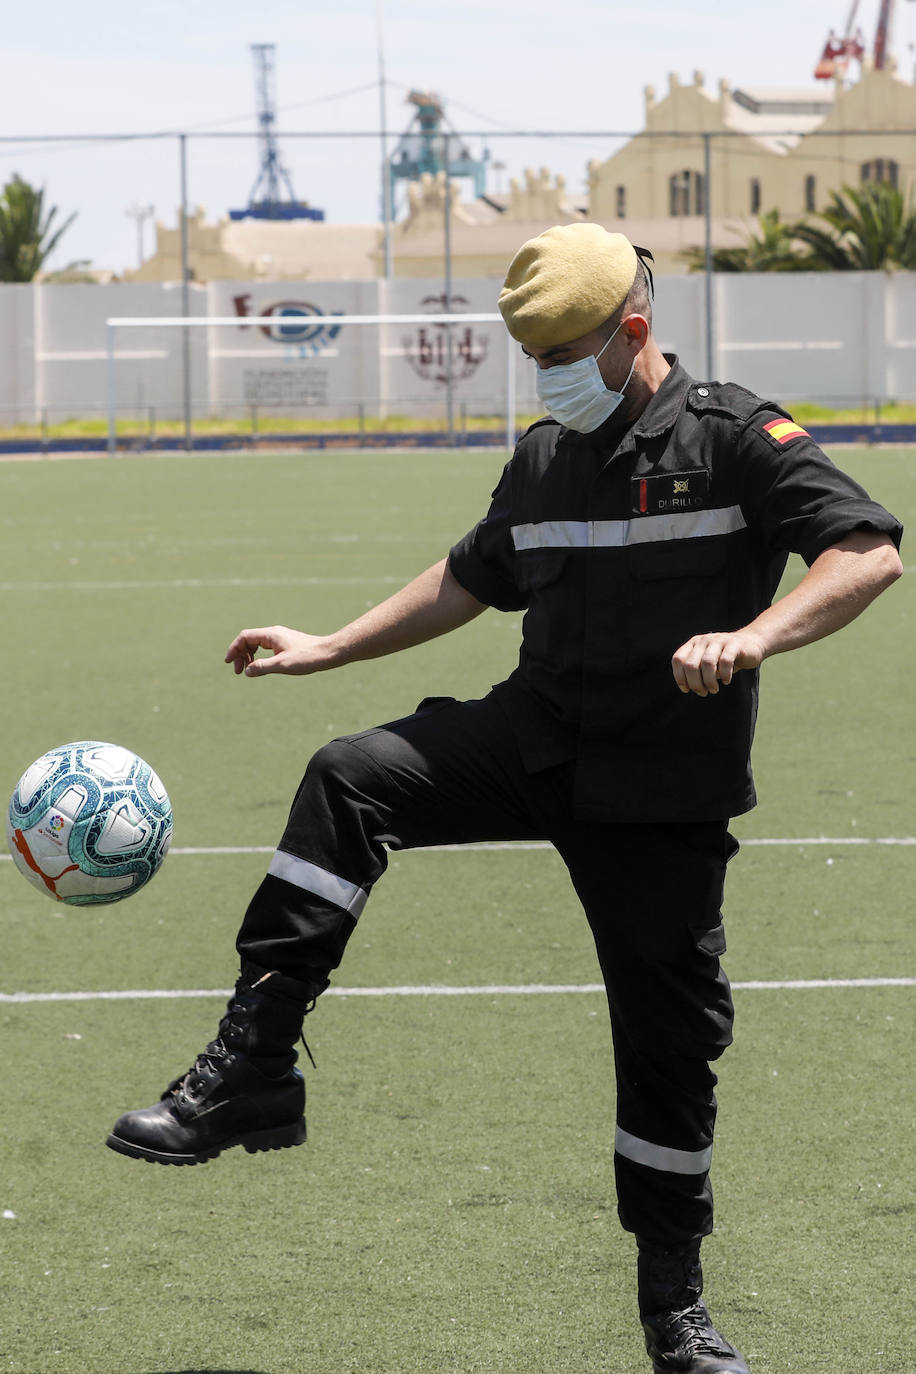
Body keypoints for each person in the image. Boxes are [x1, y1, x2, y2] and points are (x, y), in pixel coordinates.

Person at [106, 224, 903, 1374]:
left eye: (564, 350)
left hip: (659, 794)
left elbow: (865, 553)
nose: (547, 375)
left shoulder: (735, 438)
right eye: (531, 355)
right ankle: (256, 1071)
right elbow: (472, 576)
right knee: (351, 776)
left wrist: (752, 634)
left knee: (668, 1055)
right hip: (533, 738)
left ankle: (672, 1310)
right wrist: (329, 646)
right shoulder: (544, 454)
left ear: (633, 330)